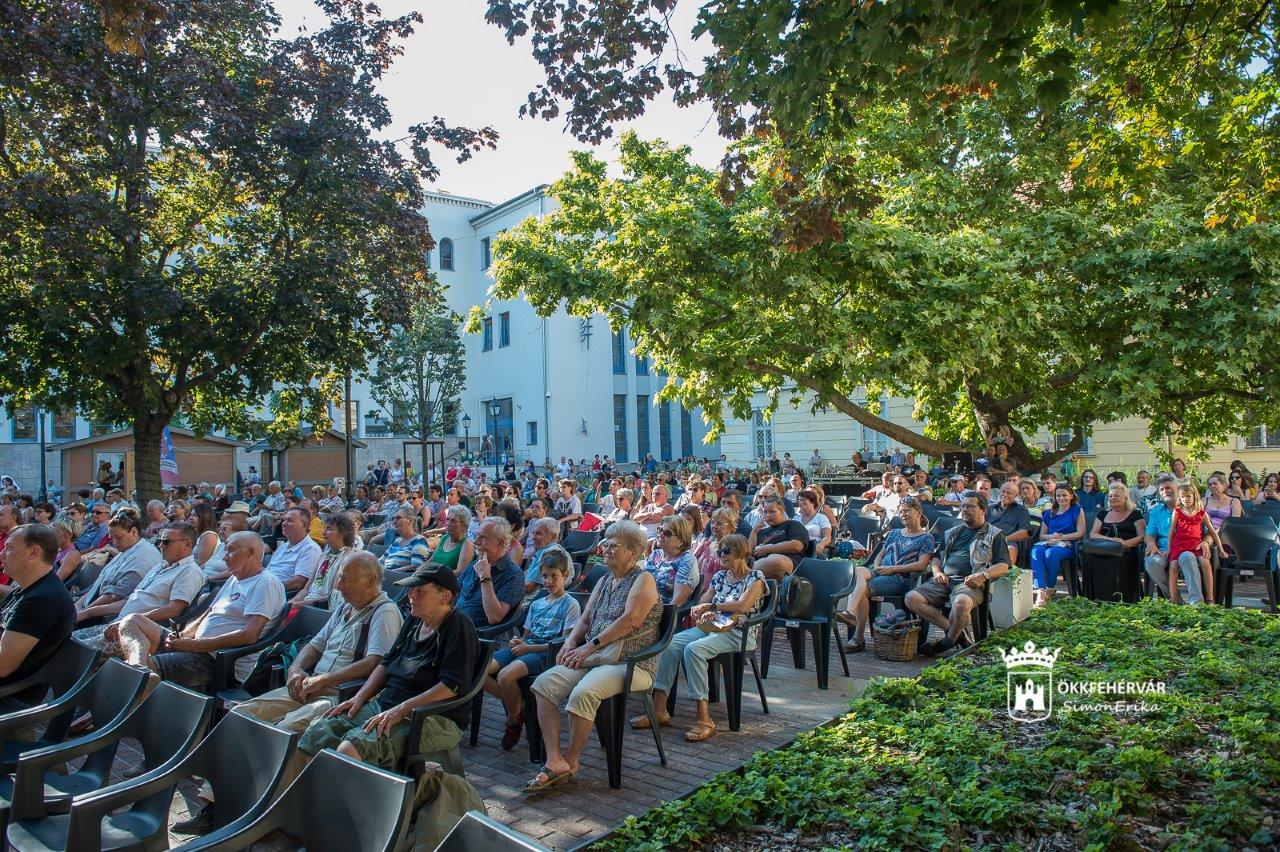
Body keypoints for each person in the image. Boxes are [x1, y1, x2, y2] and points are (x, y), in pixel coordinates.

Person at [294, 563, 477, 774]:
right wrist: (359, 698)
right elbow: (386, 662)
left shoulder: (458, 625)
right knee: (317, 733)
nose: (411, 595)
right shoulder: (415, 620)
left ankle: (351, 795)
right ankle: (320, 791)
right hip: (388, 704)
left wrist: (402, 709)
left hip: (432, 717)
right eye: (411, 589)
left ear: (444, 596)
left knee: (351, 748)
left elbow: (451, 686)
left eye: (420, 591)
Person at [525, 521, 661, 792]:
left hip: (630, 662)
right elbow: (585, 620)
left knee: (583, 693)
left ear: (633, 551)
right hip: (596, 657)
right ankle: (554, 759)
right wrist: (570, 642)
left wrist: (589, 647)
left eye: (614, 545)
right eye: (606, 543)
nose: (605, 549)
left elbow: (631, 620)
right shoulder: (604, 580)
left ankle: (571, 760)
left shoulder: (643, 579)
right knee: (543, 685)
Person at [115, 532, 285, 692]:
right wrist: (184, 635)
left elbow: (250, 635)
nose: (225, 557)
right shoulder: (235, 578)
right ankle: (138, 665)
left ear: (251, 553)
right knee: (131, 621)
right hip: (197, 647)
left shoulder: (265, 583)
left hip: (216, 660)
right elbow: (208, 613)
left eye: (231, 550)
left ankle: (139, 674)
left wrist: (196, 645)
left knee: (132, 674)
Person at [639, 533, 766, 742]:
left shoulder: (755, 578)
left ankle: (704, 719)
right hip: (712, 628)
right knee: (670, 645)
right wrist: (701, 611)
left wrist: (713, 607)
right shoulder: (719, 577)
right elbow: (704, 601)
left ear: (741, 552)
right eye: (720, 551)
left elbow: (743, 606)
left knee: (694, 650)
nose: (721, 555)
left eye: (726, 551)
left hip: (738, 633)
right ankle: (659, 710)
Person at [484, 548, 580, 750]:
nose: (549, 581)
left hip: (545, 653)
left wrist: (528, 648)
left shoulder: (571, 604)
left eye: (554, 576)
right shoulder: (537, 604)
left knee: (505, 676)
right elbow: (526, 635)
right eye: (545, 576)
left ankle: (513, 720)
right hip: (527, 647)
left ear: (565, 575)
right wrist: (517, 641)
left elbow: (563, 642)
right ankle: (520, 706)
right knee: (479, 670)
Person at [72, 522, 204, 655]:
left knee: (74, 651)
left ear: (187, 544)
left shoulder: (190, 571)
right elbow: (132, 600)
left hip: (137, 634)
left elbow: (173, 610)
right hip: (118, 624)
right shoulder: (161, 566)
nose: (161, 545)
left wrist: (129, 621)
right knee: (67, 638)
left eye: (166, 542)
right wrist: (88, 612)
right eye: (160, 541)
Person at [905, 492, 1009, 657]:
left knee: (961, 603)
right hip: (944, 581)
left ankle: (946, 642)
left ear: (983, 510)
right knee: (911, 598)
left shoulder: (995, 534)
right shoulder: (952, 532)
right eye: (963, 506)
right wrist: (937, 572)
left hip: (971, 583)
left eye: (970, 506)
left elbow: (1003, 565)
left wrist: (982, 575)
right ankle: (957, 635)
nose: (964, 509)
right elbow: (936, 558)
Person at [837, 497, 934, 652]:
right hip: (880, 571)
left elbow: (922, 565)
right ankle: (850, 614)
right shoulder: (894, 533)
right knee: (858, 571)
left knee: (861, 589)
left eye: (907, 510)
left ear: (919, 512)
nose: (903, 514)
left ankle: (858, 637)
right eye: (901, 511)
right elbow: (880, 555)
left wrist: (892, 569)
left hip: (899, 578)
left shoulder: (926, 537)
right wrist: (877, 566)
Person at [0, 524, 76, 711]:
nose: (2, 553)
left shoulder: (42, 600)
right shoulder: (30, 588)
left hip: (10, 697)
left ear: (34, 552)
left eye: (9, 548)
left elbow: (3, 666)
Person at [457, 517, 525, 627]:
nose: (476, 541)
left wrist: (485, 577)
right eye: (477, 536)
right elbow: (455, 591)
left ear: (500, 543)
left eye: (483, 537)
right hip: (453, 624)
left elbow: (494, 617)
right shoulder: (477, 562)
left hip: (473, 633)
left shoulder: (514, 574)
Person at [1086, 483, 1146, 601]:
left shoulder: (1135, 514)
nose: (1113, 498)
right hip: (1106, 547)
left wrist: (1124, 543)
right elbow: (1093, 534)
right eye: (1111, 496)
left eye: (1117, 496)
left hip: (1127, 549)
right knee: (1090, 558)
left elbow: (1142, 536)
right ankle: (1095, 597)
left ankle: (1120, 599)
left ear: (1125, 498)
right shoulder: (1103, 514)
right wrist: (1111, 540)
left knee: (1118, 560)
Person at [1028, 485, 1086, 607]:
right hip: (1050, 541)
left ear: (1071, 496)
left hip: (1068, 544)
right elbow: (1042, 535)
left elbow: (1080, 533)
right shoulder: (1049, 513)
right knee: (1036, 551)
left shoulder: (1077, 510)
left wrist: (1060, 537)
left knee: (1050, 554)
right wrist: (1051, 537)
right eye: (1058, 495)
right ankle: (1040, 591)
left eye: (1064, 495)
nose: (1061, 498)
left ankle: (1050, 588)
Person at [1166, 484, 1222, 604]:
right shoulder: (1177, 512)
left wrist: (1221, 548)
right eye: (1182, 497)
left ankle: (1210, 598)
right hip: (1179, 545)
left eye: (1188, 496)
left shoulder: (1201, 513)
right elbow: (1171, 531)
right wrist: (1168, 548)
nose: (1185, 499)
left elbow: (1212, 531)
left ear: (1194, 496)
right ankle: (1173, 601)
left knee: (1206, 563)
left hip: (1196, 545)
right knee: (1173, 568)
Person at [290, 512, 357, 609]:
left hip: (321, 609)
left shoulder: (348, 558)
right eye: (324, 528)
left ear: (343, 533)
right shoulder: (324, 554)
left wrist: (297, 605)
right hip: (306, 604)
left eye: (329, 529)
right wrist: (289, 604)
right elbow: (307, 589)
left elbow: (332, 598)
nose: (323, 532)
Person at [748, 497, 809, 581]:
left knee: (775, 560)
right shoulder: (761, 531)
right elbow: (749, 554)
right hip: (761, 567)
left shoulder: (793, 525)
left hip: (787, 563)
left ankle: (743, 574)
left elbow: (797, 546)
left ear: (781, 511)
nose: (768, 515)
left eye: (772, 512)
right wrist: (754, 532)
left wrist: (767, 549)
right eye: (765, 512)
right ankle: (744, 575)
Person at [643, 515, 699, 606]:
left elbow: (677, 602)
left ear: (681, 541)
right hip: (641, 604)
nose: (660, 535)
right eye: (660, 530)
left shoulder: (686, 560)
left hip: (662, 610)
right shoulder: (656, 554)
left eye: (667, 533)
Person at [267, 507, 323, 594]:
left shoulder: (310, 549)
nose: (284, 523)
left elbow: (298, 583)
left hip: (280, 595)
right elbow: (268, 571)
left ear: (303, 525)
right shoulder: (283, 546)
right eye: (284, 520)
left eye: (289, 520)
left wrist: (269, 589)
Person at [986, 482, 1033, 566]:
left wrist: (1003, 540)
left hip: (1009, 541)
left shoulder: (1021, 510)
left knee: (1010, 550)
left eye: (1009, 493)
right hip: (988, 541)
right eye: (1003, 492)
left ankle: (1007, 573)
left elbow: (1024, 532)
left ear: (1016, 495)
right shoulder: (990, 509)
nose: (1005, 494)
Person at [380, 506, 432, 572]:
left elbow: (415, 566)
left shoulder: (419, 540)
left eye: (398, 518)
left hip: (399, 576)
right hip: (385, 574)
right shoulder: (397, 541)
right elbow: (381, 561)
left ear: (410, 520)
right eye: (394, 518)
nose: (394, 521)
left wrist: (389, 573)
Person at [429, 505, 475, 573]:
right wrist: (418, 570)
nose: (448, 523)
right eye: (448, 519)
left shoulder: (467, 544)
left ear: (464, 526)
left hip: (444, 579)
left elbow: (460, 572)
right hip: (429, 575)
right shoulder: (445, 538)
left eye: (453, 521)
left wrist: (434, 575)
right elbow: (431, 560)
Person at [793, 488, 832, 557]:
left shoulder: (821, 518)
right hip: (797, 548)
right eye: (799, 500)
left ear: (812, 502)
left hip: (814, 549)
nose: (801, 502)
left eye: (804, 500)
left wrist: (821, 545)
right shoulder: (796, 518)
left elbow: (827, 537)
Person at [51, 517, 83, 585]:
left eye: (56, 532)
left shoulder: (72, 555)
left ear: (67, 535)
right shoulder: (59, 551)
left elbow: (55, 581)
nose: (52, 534)